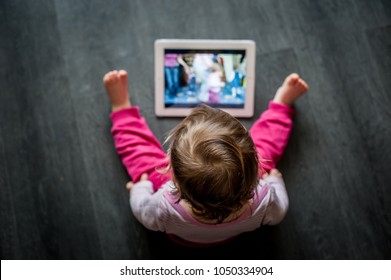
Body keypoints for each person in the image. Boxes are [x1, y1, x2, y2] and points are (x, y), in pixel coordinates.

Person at [103, 70, 309, 246]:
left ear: (172, 173)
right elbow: (280, 211)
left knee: (141, 157)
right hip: (232, 238)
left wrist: (141, 188)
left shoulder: (164, 205)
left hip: (186, 243)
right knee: (267, 144)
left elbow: (143, 212)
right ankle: (282, 106)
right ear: (256, 166)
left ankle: (121, 107)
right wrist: (274, 180)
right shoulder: (264, 198)